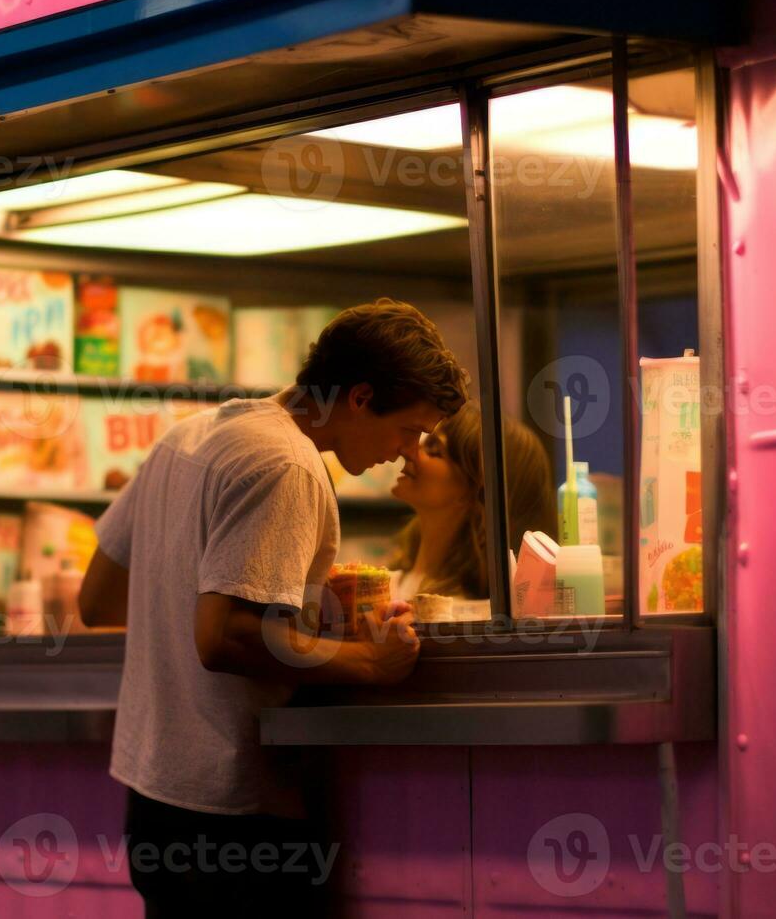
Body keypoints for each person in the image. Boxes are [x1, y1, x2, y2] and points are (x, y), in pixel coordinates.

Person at [78, 298, 469, 916]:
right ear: (361, 398)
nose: (406, 451)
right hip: (234, 815)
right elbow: (225, 636)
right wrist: (369, 661)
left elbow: (97, 597)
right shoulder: (286, 463)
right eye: (410, 430)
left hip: (153, 798)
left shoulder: (191, 436)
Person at [388, 402, 557, 606]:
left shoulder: (465, 611)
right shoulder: (393, 580)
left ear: (478, 492)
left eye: (434, 449)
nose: (410, 450)